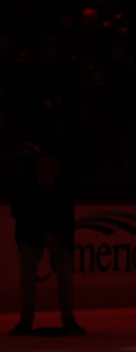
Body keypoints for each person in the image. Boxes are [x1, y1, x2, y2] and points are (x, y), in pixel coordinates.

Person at [8, 143, 85, 336]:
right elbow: (18, 211)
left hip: (54, 234)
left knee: (60, 275)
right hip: (33, 234)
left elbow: (67, 217)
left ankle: (62, 319)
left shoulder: (58, 188)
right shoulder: (29, 187)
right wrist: (43, 232)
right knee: (32, 275)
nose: (47, 178)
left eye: (50, 174)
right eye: (44, 174)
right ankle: (31, 320)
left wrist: (55, 234)